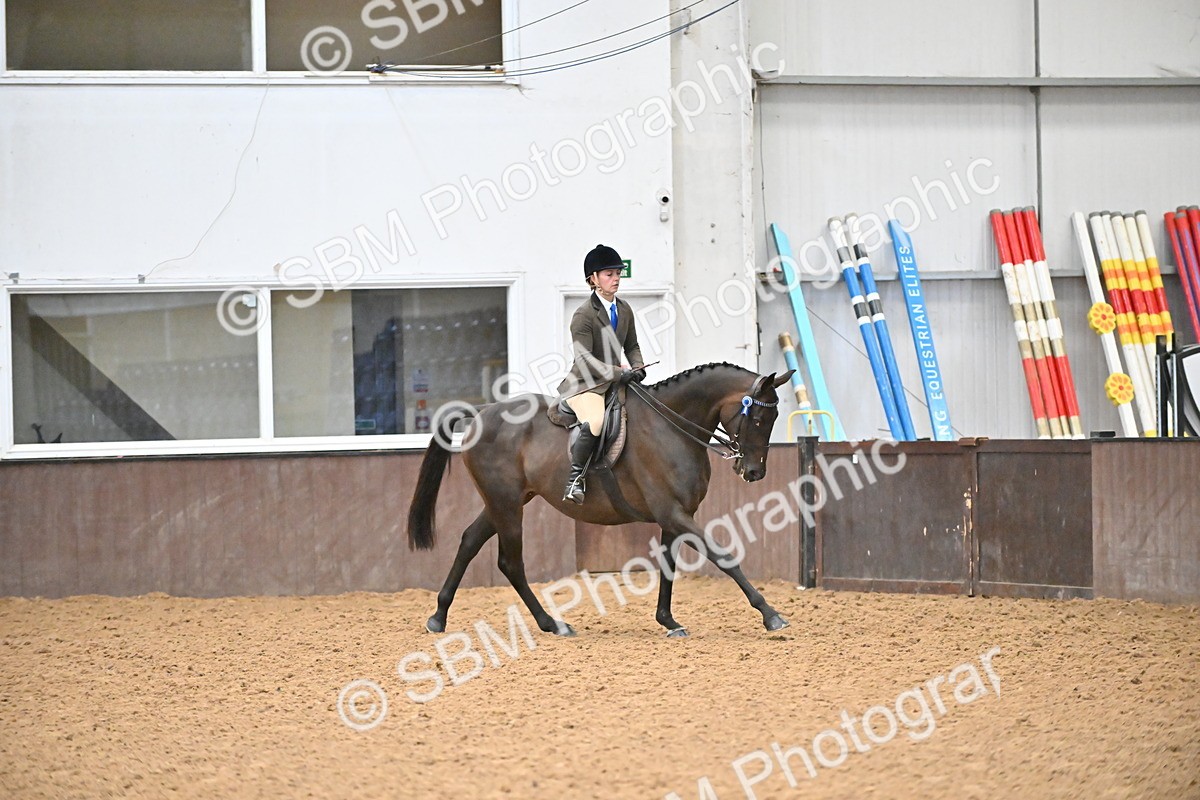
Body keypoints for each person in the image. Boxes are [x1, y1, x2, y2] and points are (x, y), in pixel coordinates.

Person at [557, 244, 646, 504]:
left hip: (615, 382)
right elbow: (584, 358)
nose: (616, 278)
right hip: (586, 385)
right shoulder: (583, 315)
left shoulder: (624, 309)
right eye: (609, 274)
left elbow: (632, 345)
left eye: (618, 273)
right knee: (595, 422)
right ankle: (575, 479)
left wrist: (638, 368)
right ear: (593, 279)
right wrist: (618, 372)